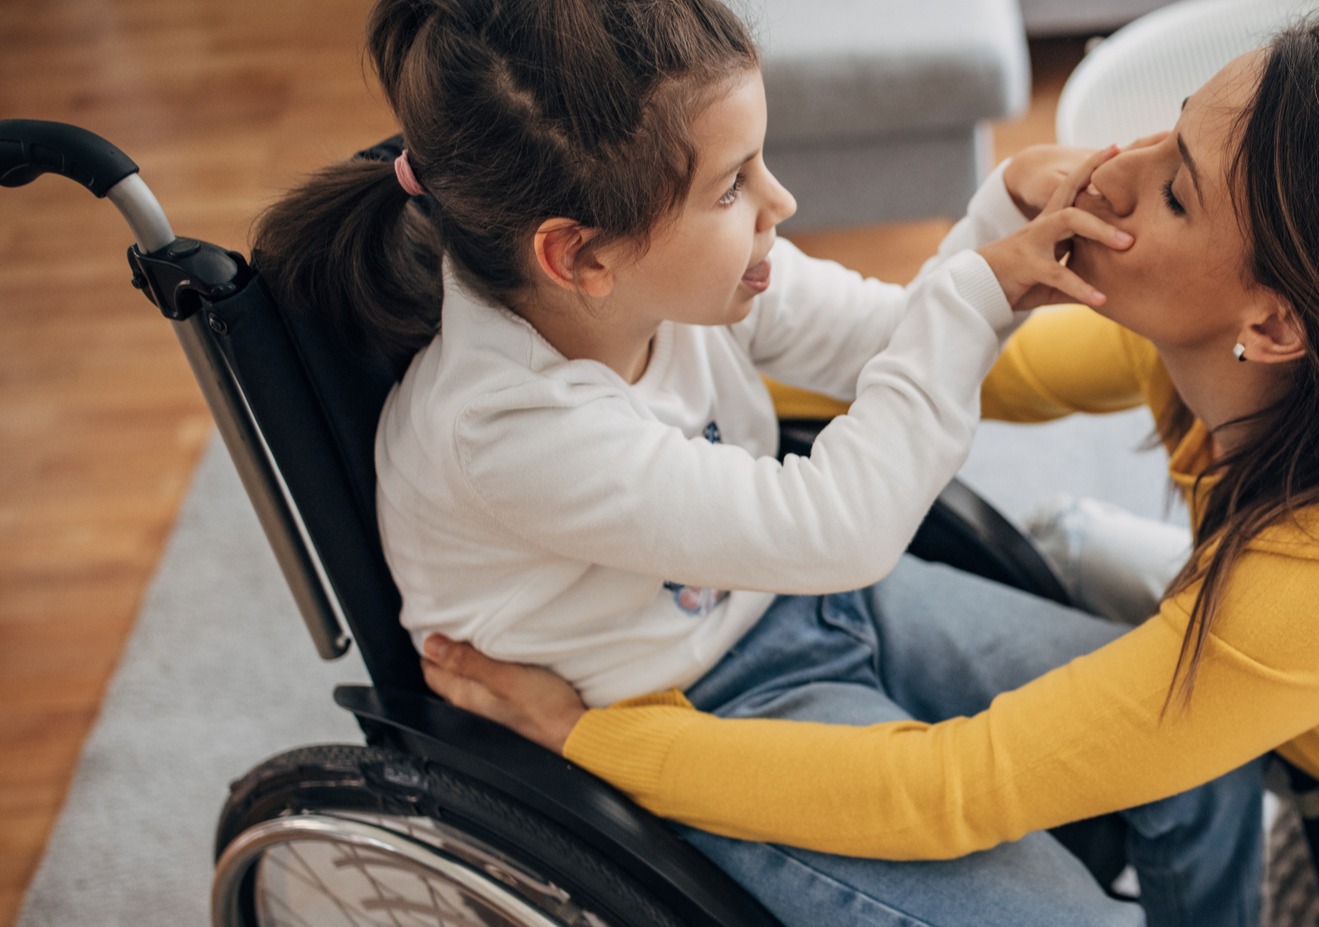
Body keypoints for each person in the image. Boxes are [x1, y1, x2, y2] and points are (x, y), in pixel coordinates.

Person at [423, 12, 1319, 927]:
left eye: (1178, 192)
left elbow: (949, 789)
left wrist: (600, 736)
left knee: (1175, 670)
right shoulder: (1286, 367)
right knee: (1078, 552)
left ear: (1273, 320)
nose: (1119, 169)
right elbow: (932, 372)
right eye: (1169, 132)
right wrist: (657, 352)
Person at [249, 0, 1264, 924]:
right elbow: (842, 528)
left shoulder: (684, 283)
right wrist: (973, 295)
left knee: (1193, 743)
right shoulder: (505, 427)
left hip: (785, 606)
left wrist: (999, 215)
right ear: (578, 256)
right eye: (733, 183)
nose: (778, 201)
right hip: (687, 714)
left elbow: (894, 342)